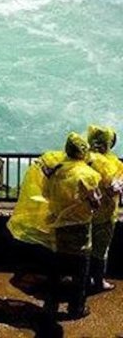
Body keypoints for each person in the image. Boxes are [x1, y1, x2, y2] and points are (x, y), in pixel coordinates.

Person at [8, 132, 101, 321]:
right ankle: (76, 308)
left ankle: (51, 306)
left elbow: (46, 194)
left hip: (58, 227)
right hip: (80, 228)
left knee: (56, 270)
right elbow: (95, 202)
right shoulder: (88, 175)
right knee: (80, 271)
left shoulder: (56, 171)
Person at [86, 125, 123, 293]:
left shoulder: (83, 158)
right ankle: (99, 281)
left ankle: (84, 279)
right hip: (105, 213)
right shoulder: (111, 163)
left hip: (84, 212)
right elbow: (114, 188)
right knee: (101, 250)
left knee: (85, 248)